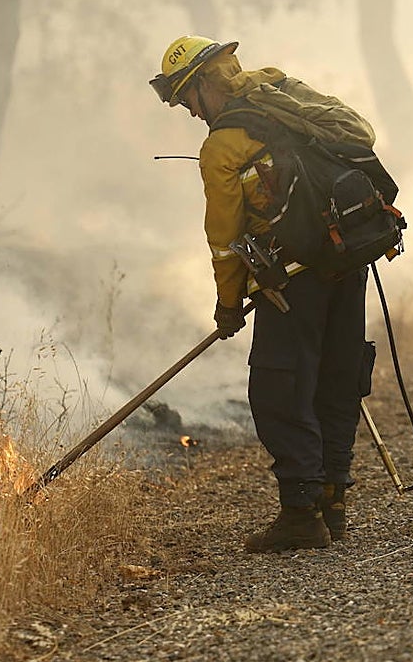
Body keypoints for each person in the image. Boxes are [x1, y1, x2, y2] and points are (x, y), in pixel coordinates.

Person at [150, 35, 397, 554]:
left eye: (186, 97)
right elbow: (359, 132)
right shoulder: (282, 89)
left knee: (280, 389)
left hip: (290, 282)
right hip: (346, 259)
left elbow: (224, 240)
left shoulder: (221, 146)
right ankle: (333, 502)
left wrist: (227, 304)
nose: (189, 111)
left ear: (205, 83)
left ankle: (301, 514)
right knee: (337, 378)